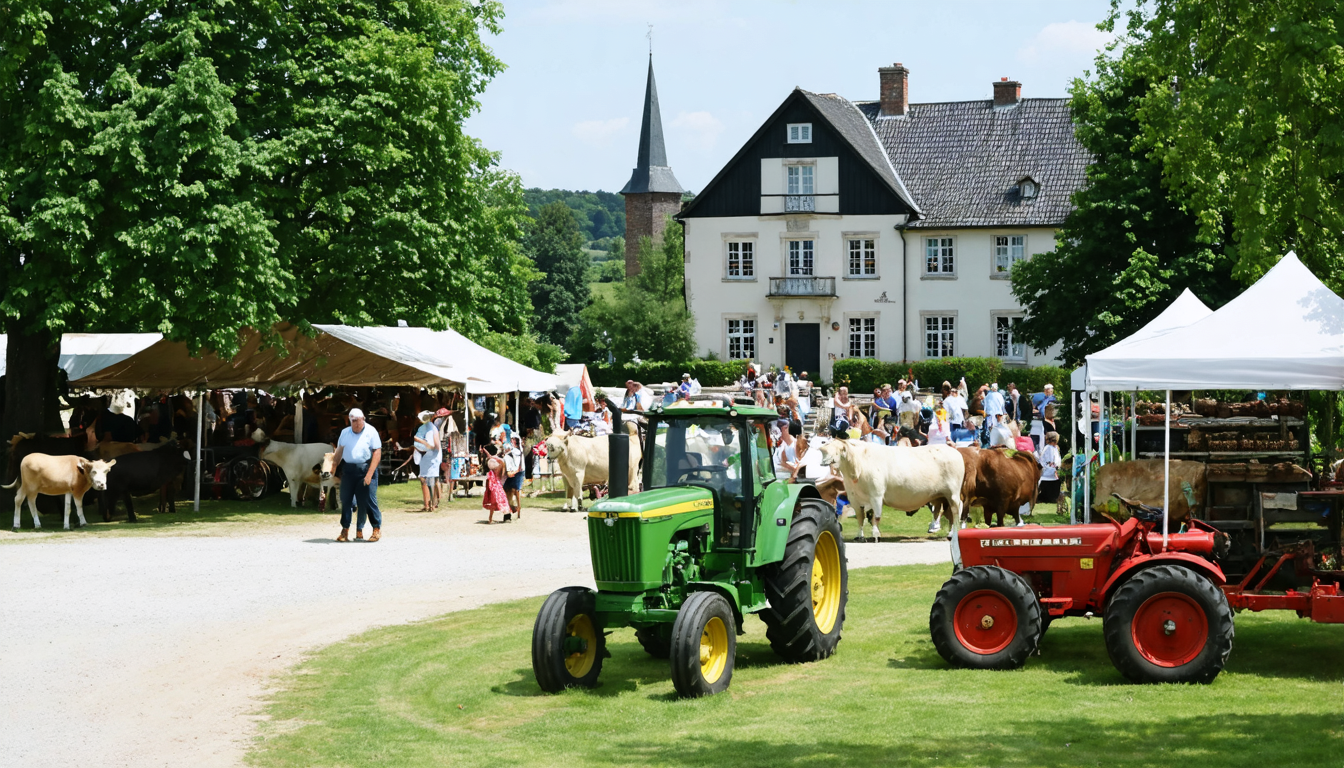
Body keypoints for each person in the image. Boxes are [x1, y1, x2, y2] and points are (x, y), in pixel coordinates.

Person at [332, 408, 383, 542]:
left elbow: (377, 453)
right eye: (354, 421)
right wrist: (333, 468)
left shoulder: (371, 431)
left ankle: (376, 529)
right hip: (349, 469)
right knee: (346, 500)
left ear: (363, 419)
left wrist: (369, 474)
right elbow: (339, 452)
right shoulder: (345, 433)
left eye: (359, 421)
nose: (357, 424)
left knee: (369, 499)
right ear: (350, 420)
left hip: (366, 468)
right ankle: (345, 530)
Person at [413, 410, 441, 512]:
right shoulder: (427, 428)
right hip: (428, 455)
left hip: (431, 456)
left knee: (429, 480)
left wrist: (430, 448)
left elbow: (435, 445)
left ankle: (431, 504)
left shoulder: (432, 429)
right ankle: (431, 504)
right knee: (429, 480)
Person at [480, 442, 508, 523]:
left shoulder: (491, 461)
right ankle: (507, 513)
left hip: (492, 483)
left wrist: (484, 451)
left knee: (492, 500)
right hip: (499, 482)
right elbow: (503, 474)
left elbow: (489, 459)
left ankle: (490, 518)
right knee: (502, 499)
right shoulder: (501, 461)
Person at [502, 431, 524, 521]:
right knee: (508, 490)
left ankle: (511, 509)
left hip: (515, 475)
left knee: (507, 490)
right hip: (517, 474)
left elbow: (511, 472)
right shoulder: (517, 453)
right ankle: (512, 508)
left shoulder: (511, 454)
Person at [1038, 431, 1063, 504]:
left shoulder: (1053, 448)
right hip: (1049, 471)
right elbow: (1050, 461)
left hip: (1051, 470)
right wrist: (1056, 467)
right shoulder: (1049, 448)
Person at [1030, 384, 1057, 449]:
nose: (1047, 392)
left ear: (1051, 391)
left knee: (1048, 437)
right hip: (1041, 420)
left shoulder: (1052, 399)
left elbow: (1046, 409)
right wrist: (1036, 410)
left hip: (1048, 420)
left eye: (1048, 391)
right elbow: (1040, 408)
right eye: (1046, 391)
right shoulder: (1044, 399)